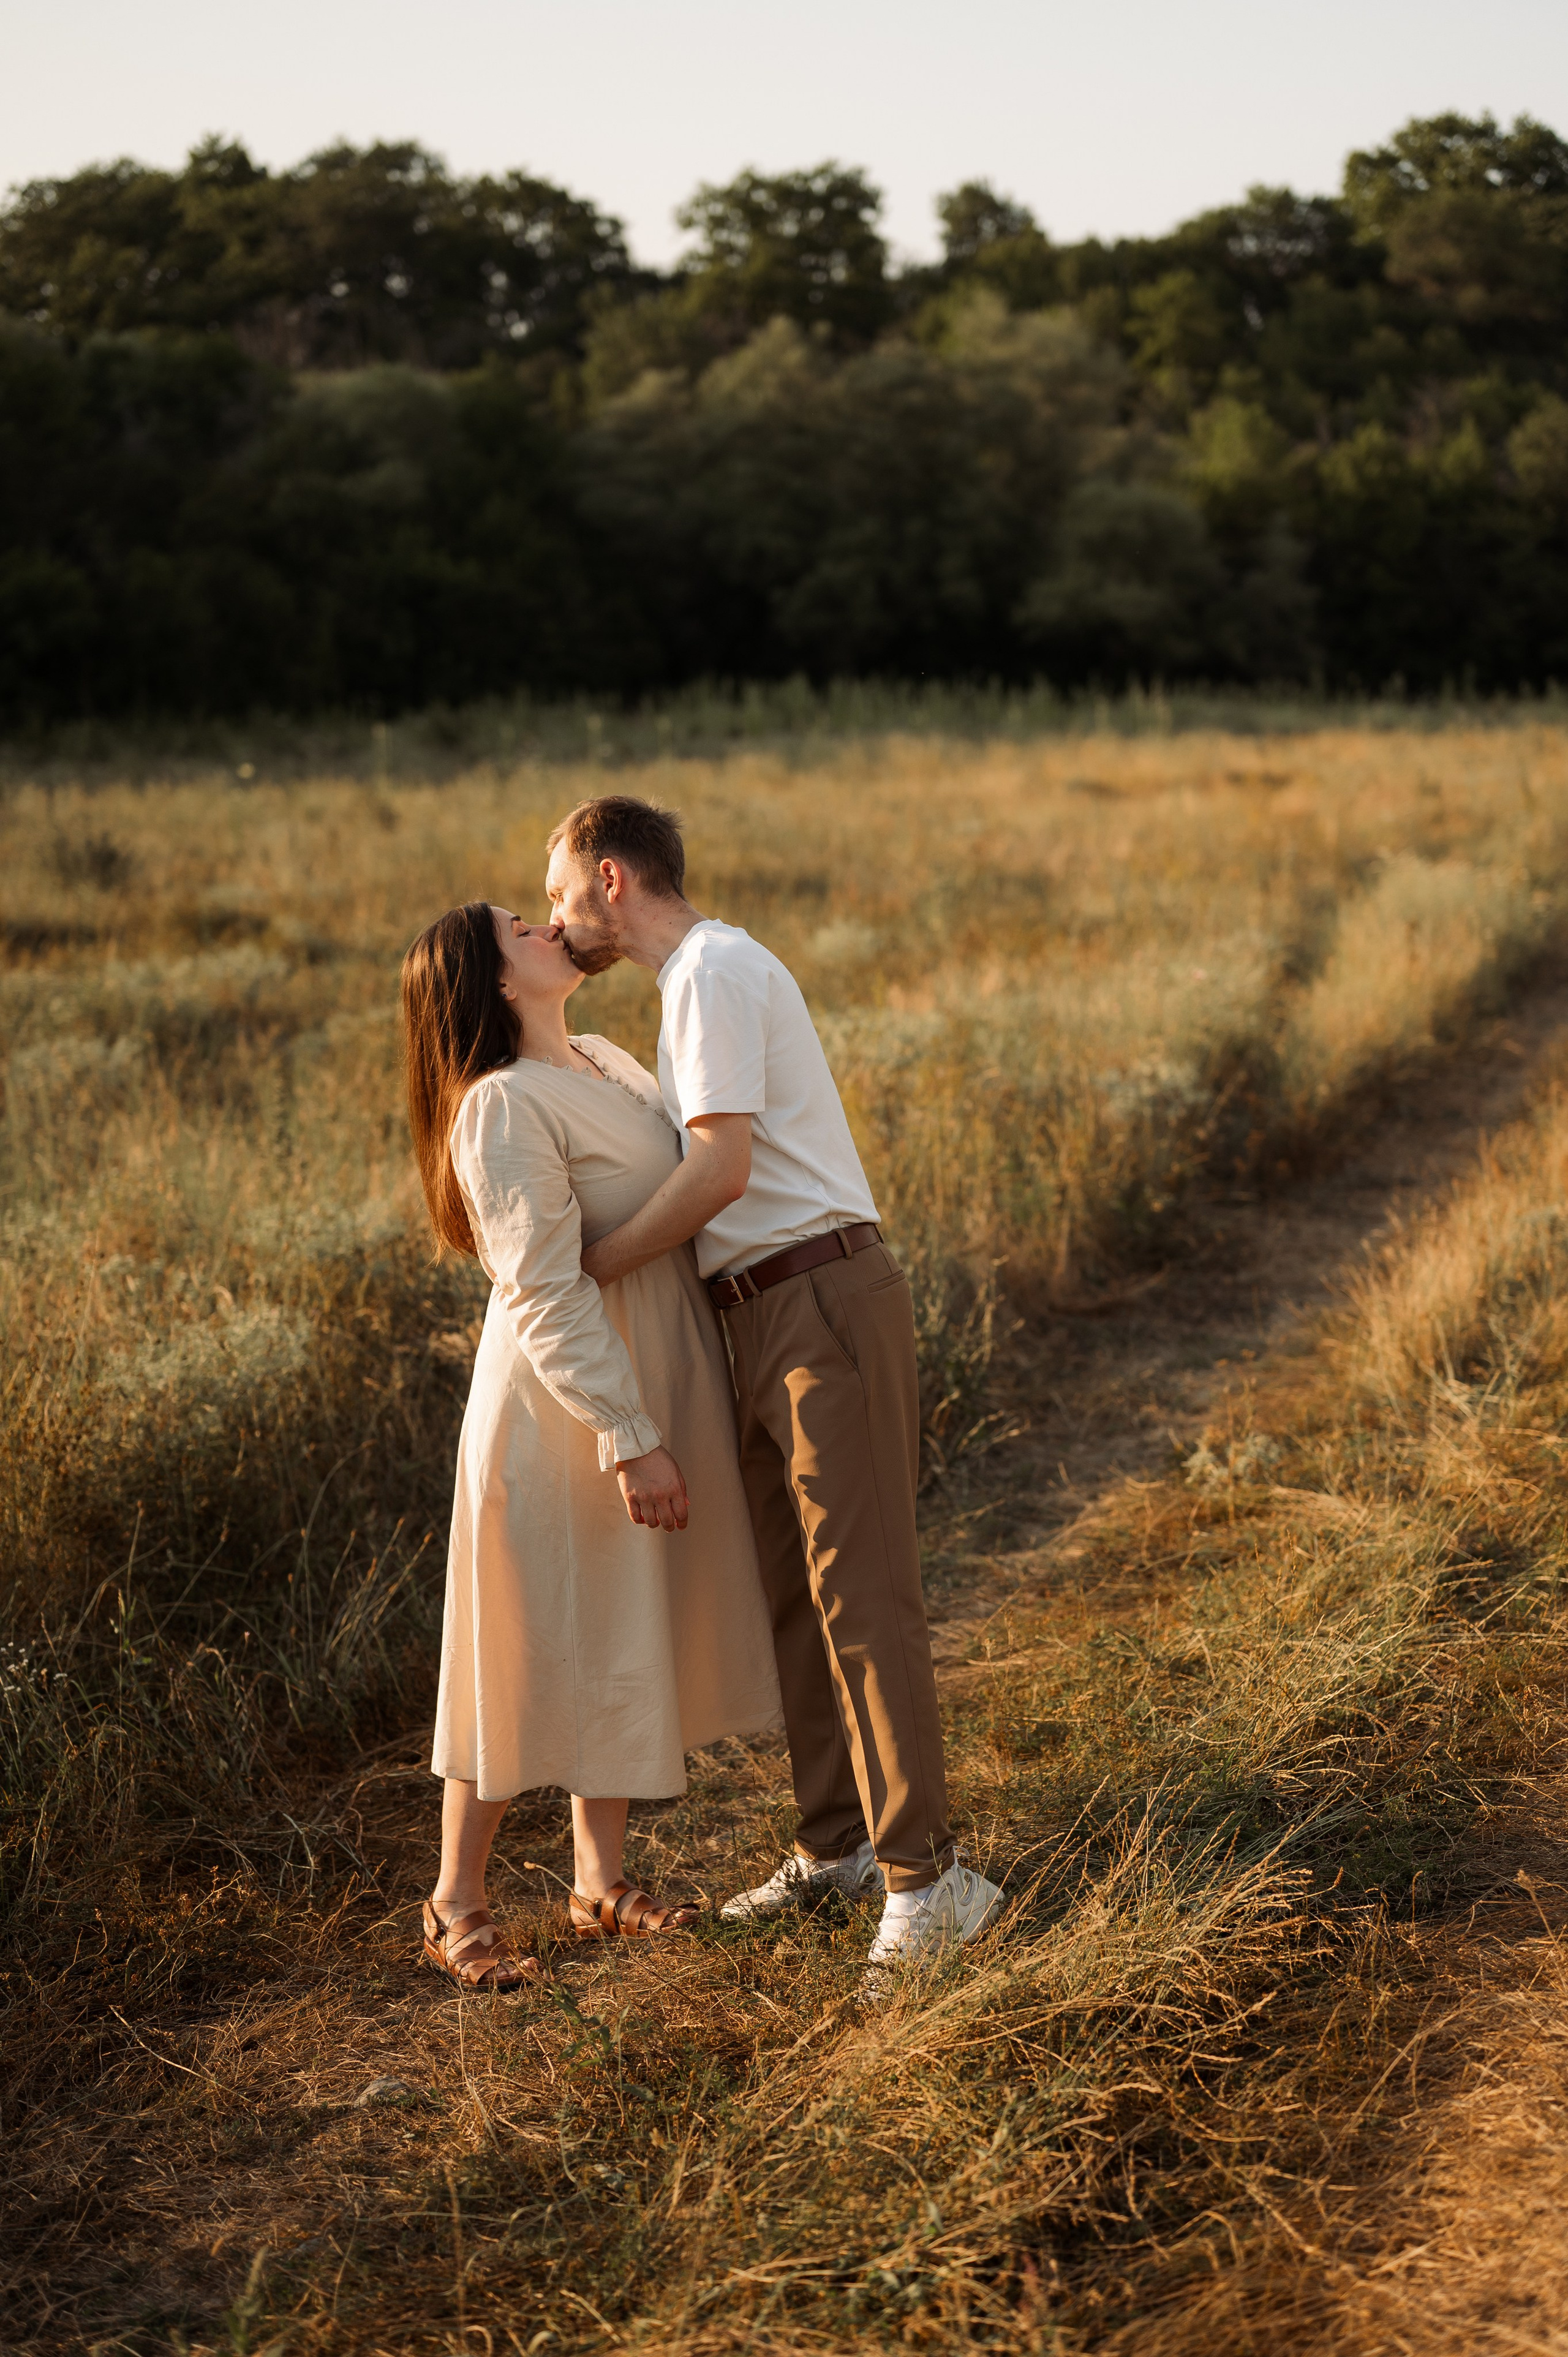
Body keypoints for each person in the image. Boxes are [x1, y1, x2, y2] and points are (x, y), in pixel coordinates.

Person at [540, 797, 1005, 1974]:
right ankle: (840, 1847)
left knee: (862, 1589)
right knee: (797, 1598)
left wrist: (593, 1265)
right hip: (756, 1318)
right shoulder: (688, 984)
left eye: (556, 897)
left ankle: (930, 1879)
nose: (554, 923)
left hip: (818, 1298)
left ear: (610, 879)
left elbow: (723, 1171)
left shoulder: (710, 968)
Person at [400, 900, 782, 1992]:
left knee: (614, 1619)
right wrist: (626, 1433)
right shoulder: (501, 1105)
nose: (546, 923)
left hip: (649, 1376)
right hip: (558, 1407)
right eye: (520, 925)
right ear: (492, 978)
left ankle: (597, 1884)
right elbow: (539, 1290)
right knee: (517, 1640)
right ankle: (455, 1901)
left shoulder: (607, 1058)